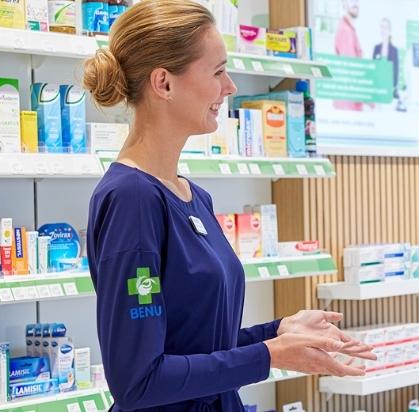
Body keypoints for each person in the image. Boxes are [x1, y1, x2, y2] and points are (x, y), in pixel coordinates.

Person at [82, 1, 374, 410]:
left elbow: (195, 345)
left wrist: (278, 333)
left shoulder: (192, 196)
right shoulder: (132, 199)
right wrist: (270, 355)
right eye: (217, 71)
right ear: (163, 83)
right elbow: (139, 381)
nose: (230, 86)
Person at [333, 0, 362, 111]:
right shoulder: (345, 30)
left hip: (348, 98)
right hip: (348, 100)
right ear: (344, 4)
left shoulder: (350, 29)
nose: (355, 3)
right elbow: (350, 68)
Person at [372, 18, 399, 100]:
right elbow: (372, 69)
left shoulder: (394, 50)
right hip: (377, 89)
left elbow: (396, 71)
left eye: (385, 27)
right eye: (382, 27)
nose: (383, 30)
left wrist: (393, 88)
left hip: (389, 90)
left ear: (390, 31)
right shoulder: (376, 48)